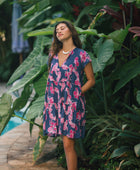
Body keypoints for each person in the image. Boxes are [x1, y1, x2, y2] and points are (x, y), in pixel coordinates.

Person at [43, 21, 95, 170]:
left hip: (72, 104)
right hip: (55, 103)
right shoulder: (52, 55)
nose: (58, 31)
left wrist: (77, 93)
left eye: (62, 28)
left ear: (71, 31)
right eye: (56, 30)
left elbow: (91, 80)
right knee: (65, 143)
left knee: (68, 143)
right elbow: (51, 78)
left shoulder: (81, 55)